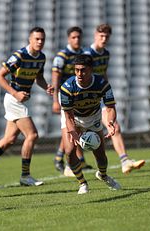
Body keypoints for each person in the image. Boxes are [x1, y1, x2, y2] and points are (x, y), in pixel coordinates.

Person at [0, 27, 54, 188]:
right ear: (29, 39)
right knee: (32, 135)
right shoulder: (19, 56)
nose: (40, 42)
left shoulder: (41, 58)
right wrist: (16, 93)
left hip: (22, 100)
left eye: (42, 39)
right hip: (13, 99)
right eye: (37, 39)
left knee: (9, 140)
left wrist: (46, 87)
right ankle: (25, 175)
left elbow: (38, 77)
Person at [83, 24, 145, 174]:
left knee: (114, 126)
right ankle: (67, 161)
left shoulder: (106, 54)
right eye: (101, 36)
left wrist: (106, 92)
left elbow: (103, 75)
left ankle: (125, 161)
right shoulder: (87, 54)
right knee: (74, 134)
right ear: (95, 35)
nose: (104, 39)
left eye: (106, 37)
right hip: (86, 100)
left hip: (100, 98)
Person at [60, 54, 121, 194]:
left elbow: (110, 108)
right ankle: (82, 183)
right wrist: (73, 132)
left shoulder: (102, 84)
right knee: (69, 152)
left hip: (93, 118)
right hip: (73, 119)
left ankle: (103, 175)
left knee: (100, 155)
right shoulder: (67, 87)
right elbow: (68, 115)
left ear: (91, 69)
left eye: (83, 70)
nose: (79, 74)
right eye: (76, 70)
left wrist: (110, 122)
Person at [51, 26, 92, 174]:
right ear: (69, 39)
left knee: (78, 127)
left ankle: (74, 159)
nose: (77, 40)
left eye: (79, 37)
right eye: (74, 37)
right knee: (72, 126)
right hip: (66, 96)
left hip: (80, 96)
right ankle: (63, 158)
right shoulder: (62, 56)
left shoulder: (84, 54)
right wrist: (55, 100)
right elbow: (55, 78)